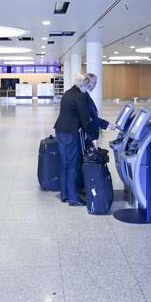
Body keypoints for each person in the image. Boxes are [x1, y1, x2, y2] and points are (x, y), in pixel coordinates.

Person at [53, 73, 95, 206]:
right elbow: (85, 119)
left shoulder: (68, 93)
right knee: (73, 165)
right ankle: (73, 198)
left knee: (64, 163)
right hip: (70, 134)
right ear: (83, 85)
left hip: (60, 131)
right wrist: (93, 138)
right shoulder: (80, 96)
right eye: (87, 86)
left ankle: (64, 194)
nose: (87, 89)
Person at [81, 73, 116, 144]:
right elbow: (91, 117)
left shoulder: (86, 95)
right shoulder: (83, 96)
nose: (95, 86)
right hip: (89, 137)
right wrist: (108, 125)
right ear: (88, 83)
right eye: (94, 83)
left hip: (91, 136)